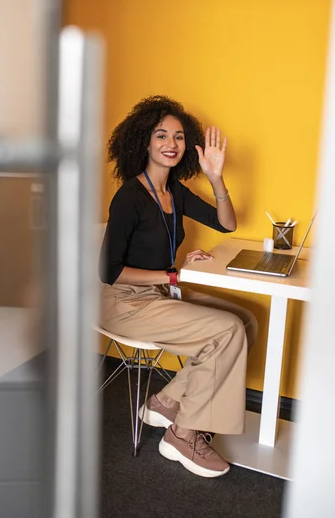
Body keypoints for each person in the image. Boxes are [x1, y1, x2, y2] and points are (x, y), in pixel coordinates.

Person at [99, 95, 257, 478]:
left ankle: (167, 400)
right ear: (144, 143)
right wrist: (173, 275)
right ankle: (181, 435)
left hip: (157, 295)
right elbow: (109, 271)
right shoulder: (129, 198)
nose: (171, 143)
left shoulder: (176, 191)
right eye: (161, 135)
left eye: (179, 137)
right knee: (226, 330)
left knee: (245, 321)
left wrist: (216, 178)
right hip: (123, 302)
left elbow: (227, 224)